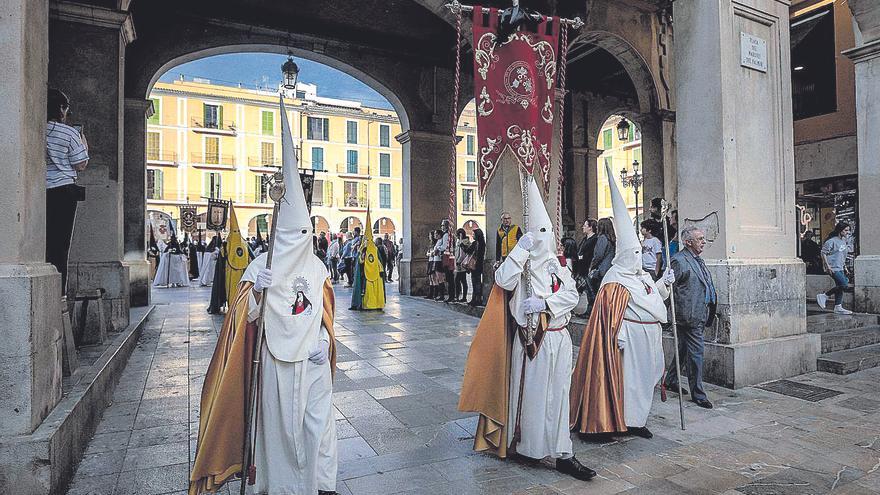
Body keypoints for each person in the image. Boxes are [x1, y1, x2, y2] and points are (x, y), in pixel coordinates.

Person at [191, 96, 339, 495]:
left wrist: (323, 344)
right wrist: (255, 292)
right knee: (278, 431)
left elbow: (324, 315)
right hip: (274, 362)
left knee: (319, 425)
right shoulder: (261, 266)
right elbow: (242, 321)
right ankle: (280, 487)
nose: (300, 242)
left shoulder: (319, 267)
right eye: (293, 236)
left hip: (311, 363)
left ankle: (321, 485)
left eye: (305, 234)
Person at [458, 177, 596, 481]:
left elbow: (572, 295)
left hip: (559, 338)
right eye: (538, 233)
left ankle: (563, 452)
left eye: (547, 233)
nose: (544, 239)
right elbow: (502, 281)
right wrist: (519, 251)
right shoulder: (519, 265)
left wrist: (545, 304)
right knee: (533, 397)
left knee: (559, 396)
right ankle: (529, 446)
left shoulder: (559, 266)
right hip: (531, 342)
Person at [570, 163, 674, 438]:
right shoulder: (615, 278)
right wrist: (620, 334)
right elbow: (609, 316)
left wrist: (664, 282)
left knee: (644, 381)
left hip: (651, 335)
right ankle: (623, 419)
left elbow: (654, 297)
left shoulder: (641, 276)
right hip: (629, 337)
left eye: (640, 253)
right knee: (628, 382)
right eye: (635, 253)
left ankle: (638, 420)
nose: (639, 258)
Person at [662, 226, 715, 409]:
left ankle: (671, 379)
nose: (703, 241)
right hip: (688, 316)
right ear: (688, 242)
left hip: (699, 312)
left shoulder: (697, 259)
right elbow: (669, 289)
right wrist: (667, 314)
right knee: (696, 354)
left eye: (703, 238)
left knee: (684, 350)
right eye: (700, 239)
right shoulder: (679, 261)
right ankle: (698, 394)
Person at [46, 88, 89, 296]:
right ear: (61, 108)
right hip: (63, 190)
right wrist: (84, 144)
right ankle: (59, 292)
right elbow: (80, 164)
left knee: (43, 241)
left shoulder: (36, 128)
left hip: (40, 191)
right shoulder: (69, 133)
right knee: (61, 244)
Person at [350, 214, 386, 311]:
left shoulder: (375, 249)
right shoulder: (362, 249)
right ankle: (368, 304)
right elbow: (361, 261)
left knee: (375, 290)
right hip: (366, 273)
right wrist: (362, 255)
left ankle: (377, 304)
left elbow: (378, 261)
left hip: (376, 274)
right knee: (368, 290)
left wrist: (381, 270)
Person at [817, 222, 854, 315]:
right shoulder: (831, 241)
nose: (847, 232)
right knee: (844, 285)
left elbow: (842, 256)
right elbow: (823, 253)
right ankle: (824, 296)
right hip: (833, 267)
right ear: (840, 230)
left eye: (848, 230)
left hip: (840, 267)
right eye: (846, 230)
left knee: (840, 287)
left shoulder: (843, 242)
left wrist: (845, 267)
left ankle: (838, 307)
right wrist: (827, 266)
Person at [588, 218, 616, 292]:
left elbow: (599, 255)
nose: (596, 227)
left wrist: (592, 265)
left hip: (602, 269)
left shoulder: (602, 238)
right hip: (610, 268)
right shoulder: (612, 239)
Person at [465, 228, 486, 306]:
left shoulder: (475, 243)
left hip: (475, 265)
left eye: (473, 234)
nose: (472, 236)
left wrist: (463, 244)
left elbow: (468, 251)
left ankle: (475, 299)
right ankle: (477, 298)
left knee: (475, 282)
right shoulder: (482, 243)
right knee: (477, 282)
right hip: (479, 265)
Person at [453, 228, 472, 302]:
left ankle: (462, 297)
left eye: (458, 235)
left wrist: (458, 262)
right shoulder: (459, 241)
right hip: (458, 263)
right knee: (460, 281)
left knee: (460, 281)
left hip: (461, 264)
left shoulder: (464, 242)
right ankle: (458, 296)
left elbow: (462, 254)